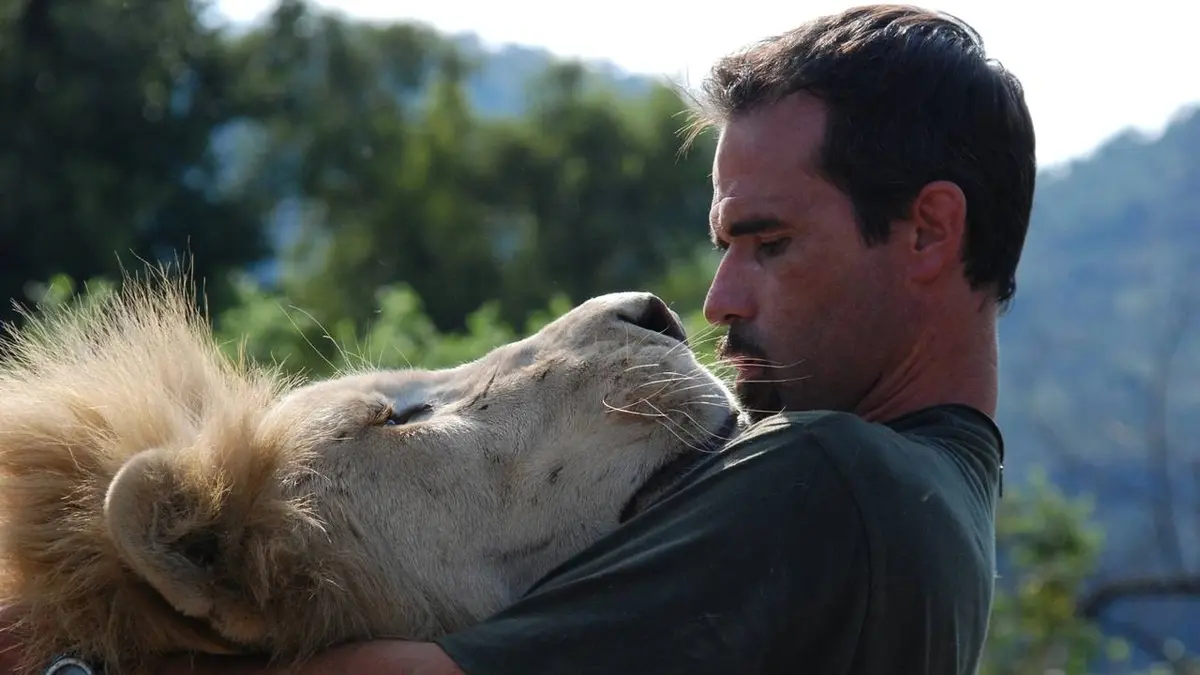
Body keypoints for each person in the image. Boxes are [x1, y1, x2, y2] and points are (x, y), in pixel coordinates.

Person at [10, 3, 1036, 674]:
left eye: (768, 242)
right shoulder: (942, 514)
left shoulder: (826, 479)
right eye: (724, 242)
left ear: (929, 230)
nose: (715, 298)